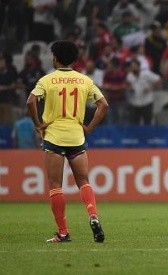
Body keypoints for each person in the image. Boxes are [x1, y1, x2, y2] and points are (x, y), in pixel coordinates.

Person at [26, 40, 109, 243]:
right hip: (76, 137)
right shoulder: (84, 81)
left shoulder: (47, 80)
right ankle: (93, 216)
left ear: (55, 58)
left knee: (55, 185)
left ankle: (63, 232)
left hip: (54, 136)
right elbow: (103, 105)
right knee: (83, 181)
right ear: (74, 59)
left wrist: (38, 124)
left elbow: (30, 101)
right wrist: (89, 128)